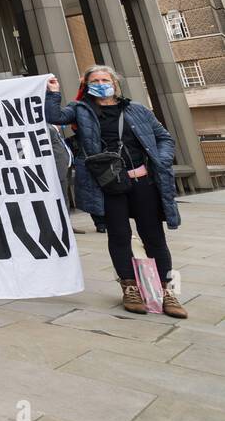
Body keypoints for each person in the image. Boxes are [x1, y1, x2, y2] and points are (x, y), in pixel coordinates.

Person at [46, 66, 186, 318]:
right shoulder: (80, 110)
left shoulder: (137, 110)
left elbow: (164, 138)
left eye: (105, 79)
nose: (101, 83)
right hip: (109, 186)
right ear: (87, 85)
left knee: (154, 237)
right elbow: (53, 116)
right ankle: (129, 287)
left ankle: (166, 291)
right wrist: (53, 92)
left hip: (143, 183)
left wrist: (161, 160)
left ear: (115, 83)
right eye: (95, 80)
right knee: (119, 236)